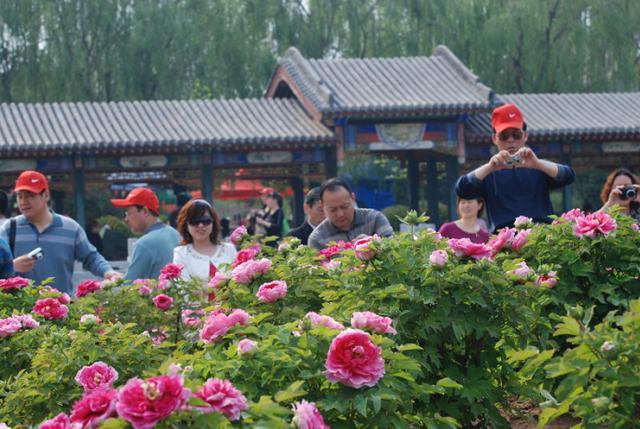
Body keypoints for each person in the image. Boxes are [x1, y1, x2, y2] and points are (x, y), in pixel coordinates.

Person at [455, 103, 576, 232]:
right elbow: (462, 189)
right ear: (494, 138)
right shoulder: (489, 172)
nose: (511, 140)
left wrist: (537, 164)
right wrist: (489, 167)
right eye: (504, 136)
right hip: (504, 240)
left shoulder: (538, 166)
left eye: (516, 135)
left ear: (525, 136)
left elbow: (568, 176)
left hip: (540, 236)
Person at [0, 170, 120, 293]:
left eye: (30, 195)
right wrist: (12, 266)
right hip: (20, 310)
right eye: (20, 196)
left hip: (61, 308)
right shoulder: (10, 228)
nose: (23, 202)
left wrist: (107, 271)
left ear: (46, 195)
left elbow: (91, 257)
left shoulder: (71, 228)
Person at [111, 187, 180, 280]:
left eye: (129, 213)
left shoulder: (144, 244)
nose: (126, 219)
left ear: (145, 211)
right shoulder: (174, 233)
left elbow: (128, 287)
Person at [308, 178, 394, 249]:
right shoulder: (317, 239)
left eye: (344, 207)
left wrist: (373, 244)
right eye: (333, 210)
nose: (340, 214)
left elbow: (392, 249)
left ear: (353, 198)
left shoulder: (374, 218)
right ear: (322, 205)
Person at [173, 199, 237, 282]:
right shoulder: (181, 253)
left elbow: (239, 282)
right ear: (186, 225)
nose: (200, 225)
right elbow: (183, 290)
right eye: (194, 221)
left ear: (213, 223)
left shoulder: (229, 249)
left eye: (205, 220)